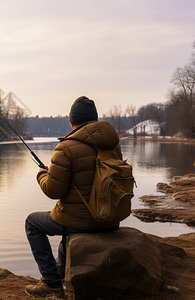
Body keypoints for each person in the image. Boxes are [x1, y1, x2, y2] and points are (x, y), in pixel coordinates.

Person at [25, 96, 121, 297]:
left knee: (32, 223)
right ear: (95, 121)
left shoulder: (66, 148)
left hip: (82, 221)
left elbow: (53, 191)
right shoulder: (112, 144)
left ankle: (51, 283)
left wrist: (43, 173)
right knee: (66, 223)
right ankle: (61, 274)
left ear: (72, 122)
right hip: (110, 218)